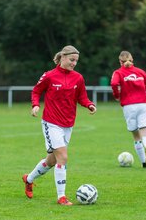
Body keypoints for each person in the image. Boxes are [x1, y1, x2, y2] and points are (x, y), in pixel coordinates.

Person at [22, 45, 97, 205]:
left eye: (76, 60)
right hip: (51, 123)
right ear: (62, 57)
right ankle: (61, 197)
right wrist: (35, 105)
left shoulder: (78, 78)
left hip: (68, 124)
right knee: (63, 157)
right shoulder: (49, 76)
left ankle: (28, 179)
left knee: (52, 161)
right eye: (71, 60)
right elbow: (36, 91)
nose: (74, 63)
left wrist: (90, 105)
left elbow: (82, 97)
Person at [110, 51, 146, 168]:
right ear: (132, 59)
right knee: (144, 134)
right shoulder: (140, 71)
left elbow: (114, 83)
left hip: (129, 106)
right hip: (143, 104)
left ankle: (144, 162)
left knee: (136, 136)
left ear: (120, 61)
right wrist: (140, 89)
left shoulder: (118, 73)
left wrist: (116, 95)